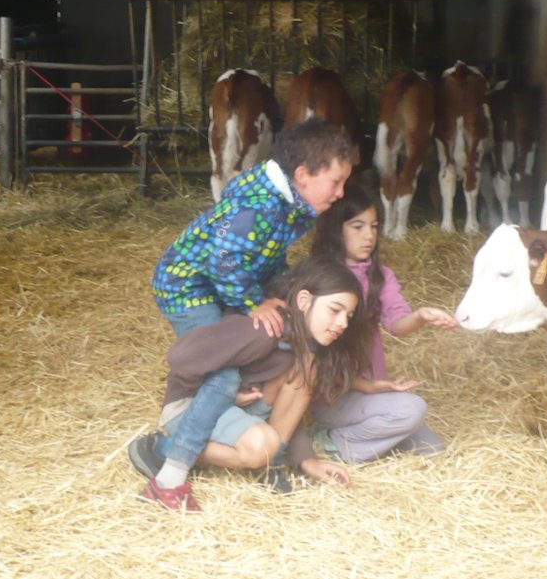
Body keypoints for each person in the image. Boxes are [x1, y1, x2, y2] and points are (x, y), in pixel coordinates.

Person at [130, 118, 358, 503]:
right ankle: (169, 471)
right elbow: (224, 262)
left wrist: (280, 291)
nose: (339, 193)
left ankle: (269, 455)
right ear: (302, 175)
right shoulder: (258, 207)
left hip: (222, 282)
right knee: (223, 374)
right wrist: (255, 303)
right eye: (335, 183)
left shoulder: (284, 201)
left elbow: (266, 257)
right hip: (189, 286)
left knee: (274, 356)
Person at [141, 256, 371, 511]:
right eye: (335, 310)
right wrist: (219, 391)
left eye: (348, 316)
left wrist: (306, 459)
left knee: (308, 366)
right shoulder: (264, 330)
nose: (342, 323)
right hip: (189, 409)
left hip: (237, 412)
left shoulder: (301, 342)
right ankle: (162, 450)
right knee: (262, 445)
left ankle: (270, 465)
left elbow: (289, 408)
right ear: (304, 300)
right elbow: (181, 357)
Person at [308, 181, 458, 463]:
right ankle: (333, 443)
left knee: (433, 452)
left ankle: (364, 442)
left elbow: (397, 324)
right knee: (411, 410)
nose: (369, 236)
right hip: (334, 395)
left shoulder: (381, 275)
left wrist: (421, 316)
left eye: (374, 226)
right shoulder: (321, 277)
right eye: (358, 226)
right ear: (335, 228)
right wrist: (363, 386)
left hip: (373, 394)